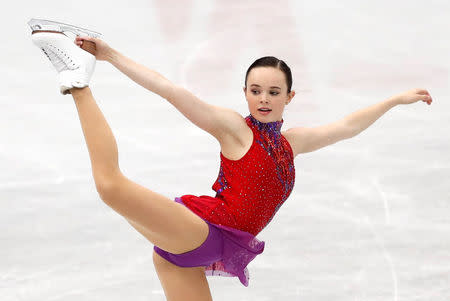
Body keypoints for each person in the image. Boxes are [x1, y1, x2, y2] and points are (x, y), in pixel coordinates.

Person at [30, 30, 433, 301]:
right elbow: (171, 90)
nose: (263, 98)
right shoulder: (234, 130)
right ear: (244, 92)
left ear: (289, 97)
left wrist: (395, 100)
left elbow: (347, 126)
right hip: (203, 231)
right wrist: (112, 55)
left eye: (273, 92)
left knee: (112, 190)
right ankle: (77, 81)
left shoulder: (292, 145)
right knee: (111, 186)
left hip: (187, 254)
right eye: (255, 90)